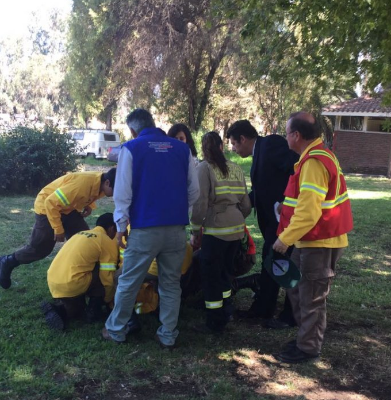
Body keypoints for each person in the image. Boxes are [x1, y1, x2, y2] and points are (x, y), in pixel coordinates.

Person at [102, 108, 199, 348]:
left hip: (145, 228)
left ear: (133, 130)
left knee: (129, 280)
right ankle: (167, 334)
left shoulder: (132, 148)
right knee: (170, 283)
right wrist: (178, 211)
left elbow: (123, 192)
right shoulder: (182, 149)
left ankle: (116, 329)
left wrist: (121, 226)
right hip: (176, 229)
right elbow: (194, 191)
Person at [272, 111, 353, 363]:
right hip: (309, 241)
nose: (285, 138)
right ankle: (304, 337)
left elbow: (309, 212)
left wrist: (284, 239)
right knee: (296, 289)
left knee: (311, 297)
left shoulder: (314, 162)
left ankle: (308, 348)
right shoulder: (316, 158)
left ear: (296, 135)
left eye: (286, 133)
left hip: (318, 243)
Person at [226, 120, 298, 327]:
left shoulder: (271, 144)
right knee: (272, 260)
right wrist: (238, 203)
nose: (233, 148)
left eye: (234, 143)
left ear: (243, 138)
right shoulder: (259, 152)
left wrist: (287, 199)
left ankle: (287, 314)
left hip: (283, 221)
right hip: (271, 223)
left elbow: (297, 167)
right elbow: (260, 189)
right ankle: (264, 308)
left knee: (280, 261)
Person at [0, 169, 116, 289]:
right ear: (107, 183)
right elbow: (51, 203)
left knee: (85, 240)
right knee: (40, 249)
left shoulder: (100, 182)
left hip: (68, 209)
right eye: (115, 190)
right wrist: (58, 229)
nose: (116, 194)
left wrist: (89, 205)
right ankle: (7, 261)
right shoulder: (82, 184)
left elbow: (86, 194)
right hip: (47, 208)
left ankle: (88, 282)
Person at [191, 131, 251, 333]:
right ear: (221, 147)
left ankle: (214, 321)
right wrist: (236, 216)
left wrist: (195, 228)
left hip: (216, 230)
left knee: (210, 276)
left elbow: (201, 203)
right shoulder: (235, 168)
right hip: (236, 230)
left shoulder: (204, 168)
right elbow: (246, 204)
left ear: (204, 149)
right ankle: (227, 310)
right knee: (226, 272)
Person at [42, 213, 119, 331]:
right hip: (73, 283)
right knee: (102, 270)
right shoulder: (105, 240)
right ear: (112, 228)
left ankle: (60, 309)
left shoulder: (79, 234)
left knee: (76, 310)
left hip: (53, 280)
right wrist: (108, 300)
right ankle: (94, 310)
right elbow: (107, 276)